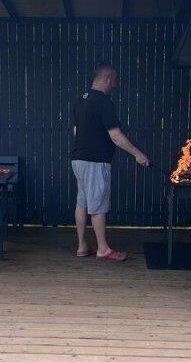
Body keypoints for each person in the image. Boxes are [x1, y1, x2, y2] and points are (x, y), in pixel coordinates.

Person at [71, 64, 149, 261]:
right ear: (106, 79)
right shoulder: (103, 102)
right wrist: (138, 154)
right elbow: (115, 136)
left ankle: (82, 246)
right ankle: (103, 249)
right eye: (114, 81)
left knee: (82, 202)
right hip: (95, 161)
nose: (115, 85)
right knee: (98, 203)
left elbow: (76, 131)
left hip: (78, 159)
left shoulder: (80, 101)